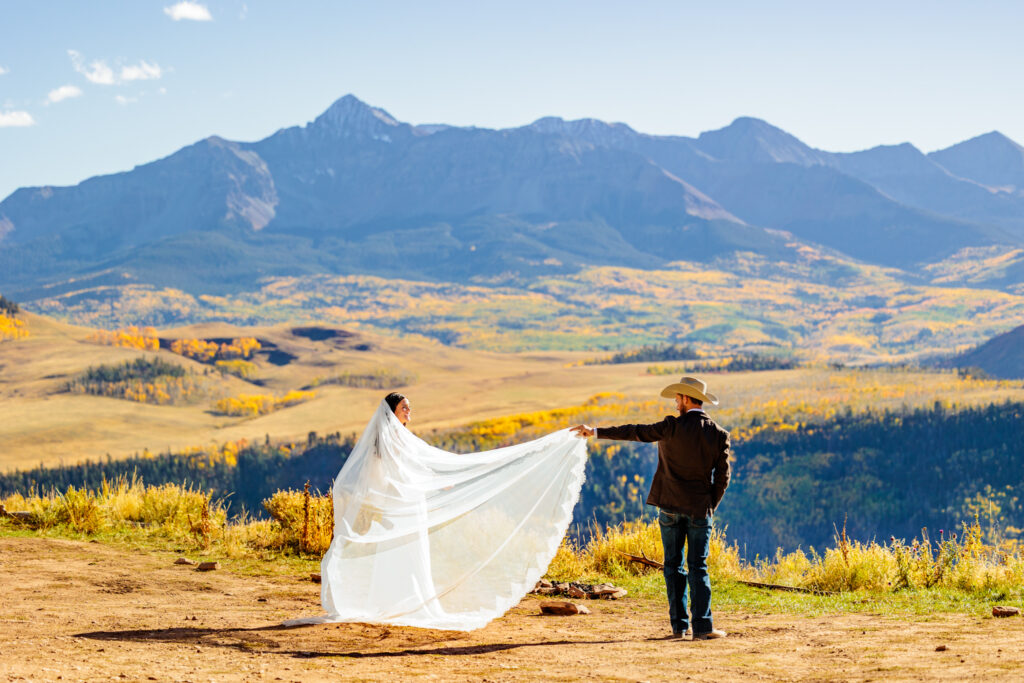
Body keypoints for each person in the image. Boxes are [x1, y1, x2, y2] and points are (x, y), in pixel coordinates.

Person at [286, 391, 589, 630]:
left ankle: (403, 603)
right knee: (401, 553)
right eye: (404, 408)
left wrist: (435, 483)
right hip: (401, 505)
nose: (409, 412)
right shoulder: (387, 442)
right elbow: (390, 473)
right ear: (391, 411)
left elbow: (421, 465)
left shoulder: (401, 438)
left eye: (409, 408)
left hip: (409, 504)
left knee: (412, 555)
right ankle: (398, 604)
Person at [571, 376, 730, 640]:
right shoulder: (719, 434)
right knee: (698, 567)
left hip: (669, 506)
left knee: (673, 566)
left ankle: (679, 628)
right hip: (700, 510)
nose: (675, 402)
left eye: (678, 397)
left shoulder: (670, 427)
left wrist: (596, 431)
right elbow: (723, 479)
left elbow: (635, 431)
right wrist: (709, 506)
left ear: (687, 399)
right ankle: (703, 628)